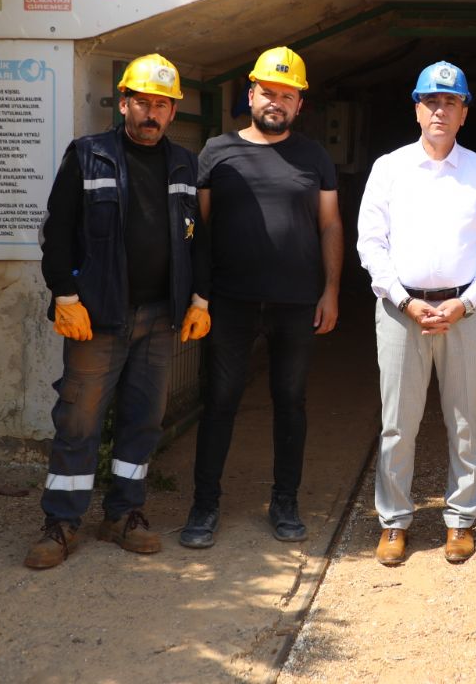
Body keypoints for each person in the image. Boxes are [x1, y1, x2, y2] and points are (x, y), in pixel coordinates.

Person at [28, 53, 208, 570]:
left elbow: (197, 241)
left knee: (142, 421)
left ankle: (124, 513)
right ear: (123, 103)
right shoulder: (88, 156)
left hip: (158, 318)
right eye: (143, 103)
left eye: (162, 105)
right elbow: (56, 231)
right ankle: (61, 522)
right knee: (79, 420)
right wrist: (64, 295)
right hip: (98, 317)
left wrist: (199, 298)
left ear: (173, 112)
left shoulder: (183, 164)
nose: (151, 114)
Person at [179, 46, 342, 549]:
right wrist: (198, 297)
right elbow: (199, 230)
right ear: (250, 94)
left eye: (286, 95)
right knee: (220, 401)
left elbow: (330, 224)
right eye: (268, 92)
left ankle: (285, 503)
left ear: (299, 105)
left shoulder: (313, 156)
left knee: (290, 402)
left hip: (295, 302)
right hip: (229, 301)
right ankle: (204, 506)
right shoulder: (216, 150)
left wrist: (331, 291)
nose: (276, 102)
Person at [356, 61, 476, 566]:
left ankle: (461, 520)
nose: (440, 110)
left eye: (450, 102)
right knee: (398, 422)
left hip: (466, 308)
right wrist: (404, 299)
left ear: (464, 112)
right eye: (431, 101)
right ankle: (394, 523)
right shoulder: (389, 169)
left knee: (465, 419)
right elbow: (370, 243)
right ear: (417, 109)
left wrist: (467, 302)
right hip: (402, 309)